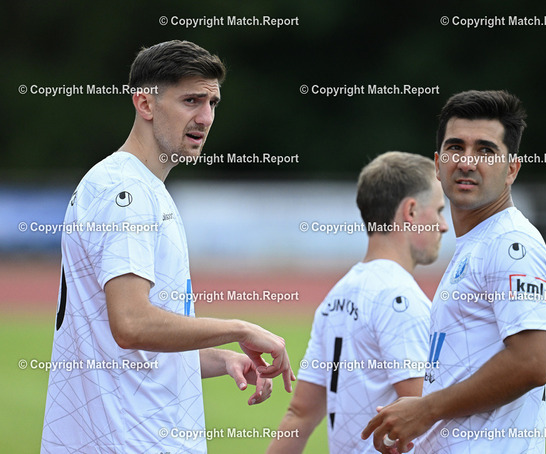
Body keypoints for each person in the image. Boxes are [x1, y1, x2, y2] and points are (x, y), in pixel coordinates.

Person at [41, 40, 295, 453]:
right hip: (127, 442)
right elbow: (132, 324)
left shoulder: (137, 187)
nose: (206, 117)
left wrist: (222, 358)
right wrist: (241, 329)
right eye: (191, 100)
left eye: (212, 102)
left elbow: (142, 346)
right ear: (145, 103)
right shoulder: (126, 193)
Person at [362, 90, 546, 453]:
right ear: (438, 164)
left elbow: (531, 362)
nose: (467, 162)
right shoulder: (477, 242)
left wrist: (426, 409)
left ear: (511, 169)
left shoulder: (512, 244)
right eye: (455, 147)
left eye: (485, 150)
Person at [267, 151, 448, 454]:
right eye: (439, 211)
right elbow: (428, 420)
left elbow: (299, 415)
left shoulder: (336, 295)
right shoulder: (401, 299)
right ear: (411, 211)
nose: (443, 225)